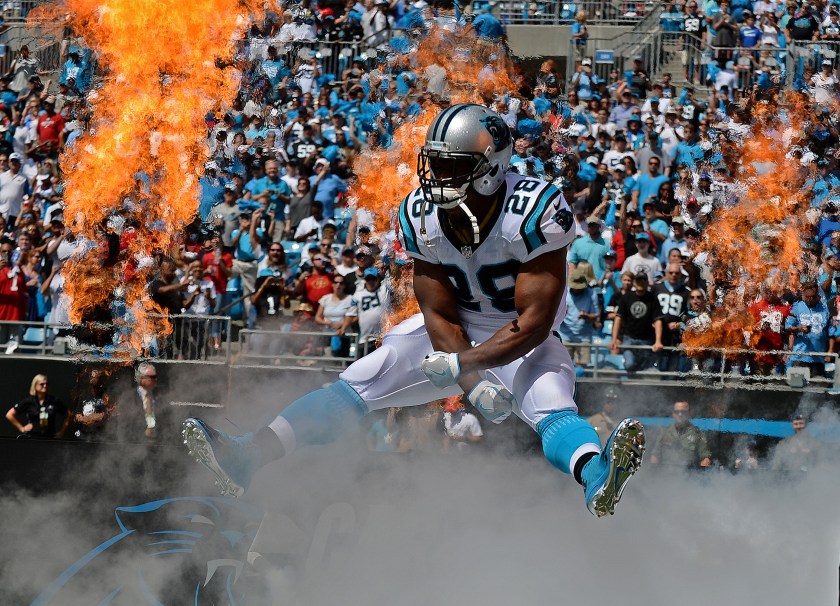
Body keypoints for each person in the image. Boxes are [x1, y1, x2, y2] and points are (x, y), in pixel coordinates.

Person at [183, 104, 645, 518]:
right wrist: (470, 383)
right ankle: (250, 456)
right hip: (453, 327)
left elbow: (534, 322)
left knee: (550, 403)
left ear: (490, 168)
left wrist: (467, 365)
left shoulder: (532, 209)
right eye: (436, 162)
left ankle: (596, 476)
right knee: (369, 373)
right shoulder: (420, 213)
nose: (437, 176)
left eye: (452, 165)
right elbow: (439, 314)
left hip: (521, 336)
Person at [610, 271, 664, 371]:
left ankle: (640, 387)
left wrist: (658, 341)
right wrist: (614, 340)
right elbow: (618, 318)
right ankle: (629, 386)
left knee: (645, 368)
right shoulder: (626, 297)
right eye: (639, 281)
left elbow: (658, 320)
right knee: (629, 364)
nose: (641, 283)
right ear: (634, 282)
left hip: (646, 340)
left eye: (643, 281)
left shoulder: (652, 298)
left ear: (647, 283)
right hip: (629, 339)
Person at [649, 401, 712, 469]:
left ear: (689, 413)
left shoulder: (698, 433)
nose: (680, 414)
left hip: (688, 474)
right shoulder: (664, 431)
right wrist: (654, 473)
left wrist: (699, 473)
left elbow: (705, 458)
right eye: (677, 412)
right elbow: (655, 455)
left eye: (683, 412)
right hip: (666, 474)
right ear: (673, 413)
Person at [5, 373, 69, 438]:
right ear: (35, 385)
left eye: (47, 384)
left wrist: (61, 432)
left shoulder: (54, 401)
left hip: (49, 438)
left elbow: (68, 414)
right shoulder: (29, 401)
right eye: (42, 384)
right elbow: (9, 414)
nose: (45, 386)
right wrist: (22, 428)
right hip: (33, 437)